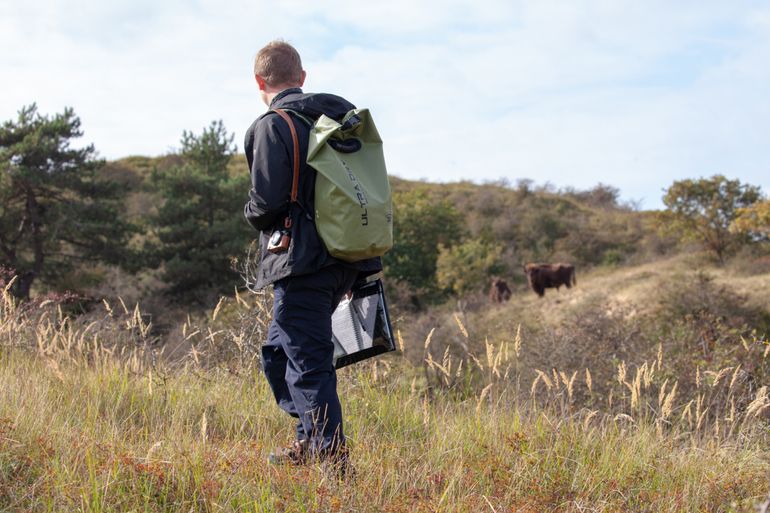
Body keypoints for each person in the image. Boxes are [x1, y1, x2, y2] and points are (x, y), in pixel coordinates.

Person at [243, 40, 381, 467]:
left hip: (303, 261)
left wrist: (250, 213)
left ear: (258, 81)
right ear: (301, 77)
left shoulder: (274, 125)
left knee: (307, 362)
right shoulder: (337, 120)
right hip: (348, 256)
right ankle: (309, 439)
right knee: (279, 352)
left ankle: (331, 463)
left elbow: (266, 202)